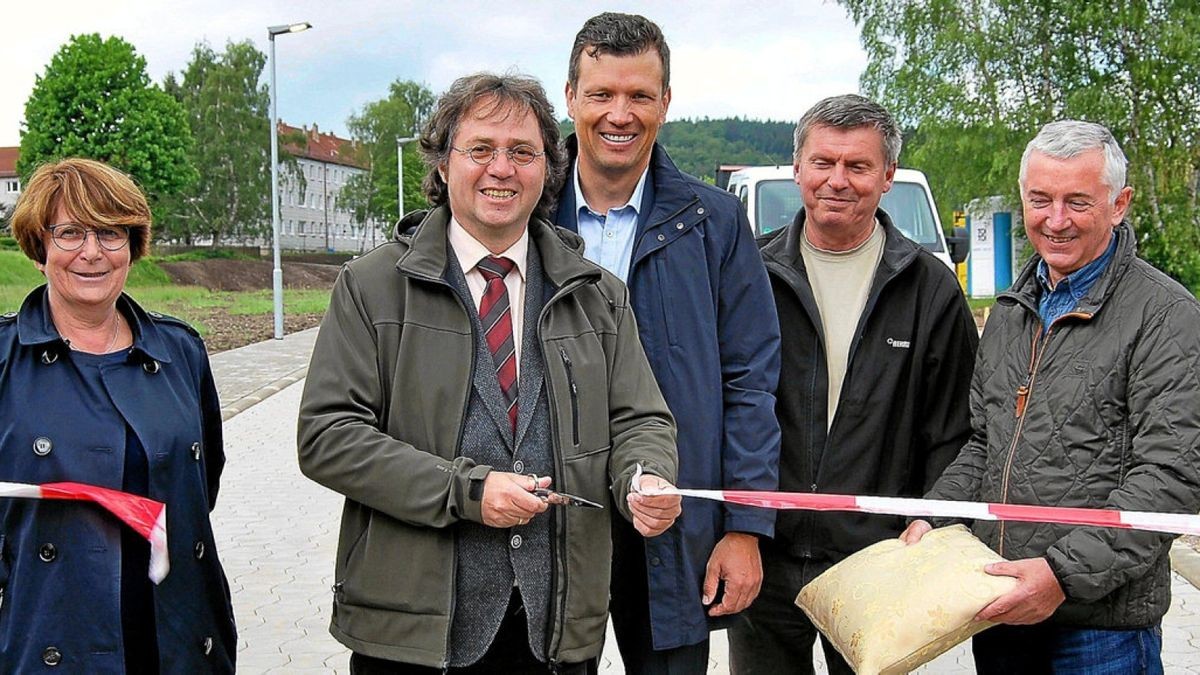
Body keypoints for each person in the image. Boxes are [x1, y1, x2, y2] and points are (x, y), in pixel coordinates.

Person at [297, 72, 682, 674]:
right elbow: (327, 437)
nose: (502, 169)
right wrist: (467, 490)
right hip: (412, 632)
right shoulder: (372, 287)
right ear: (444, 164)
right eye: (481, 149)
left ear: (547, 169)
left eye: (523, 152)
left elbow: (640, 418)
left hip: (554, 627)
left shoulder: (599, 296)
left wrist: (645, 475)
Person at [901, 120, 1200, 673]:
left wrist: (1060, 575)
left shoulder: (1166, 317)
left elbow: (1171, 479)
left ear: (1120, 204)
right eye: (1040, 199)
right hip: (1003, 607)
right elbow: (985, 442)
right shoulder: (1012, 311)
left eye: (1077, 202)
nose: (1055, 221)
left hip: (1100, 630)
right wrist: (938, 516)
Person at [554, 13, 782, 672]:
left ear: (666, 103)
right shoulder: (531, 217)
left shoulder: (714, 223)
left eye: (639, 95)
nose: (619, 113)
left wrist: (743, 526)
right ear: (570, 97)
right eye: (601, 94)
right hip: (553, 527)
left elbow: (752, 383)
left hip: (675, 527)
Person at [728, 94, 978, 675]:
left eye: (858, 166)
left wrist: (931, 525)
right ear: (797, 168)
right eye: (823, 162)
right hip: (764, 558)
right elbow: (724, 406)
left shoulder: (930, 288)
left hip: (878, 561)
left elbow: (956, 428)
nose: (837, 180)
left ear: (887, 176)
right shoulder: (751, 275)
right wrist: (733, 528)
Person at [0, 158, 236, 672]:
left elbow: (202, 486)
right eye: (70, 233)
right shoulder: (3, 360)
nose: (91, 253)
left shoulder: (180, 352)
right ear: (40, 249)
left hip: (175, 631)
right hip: (49, 634)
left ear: (132, 246)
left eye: (110, 233)